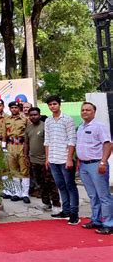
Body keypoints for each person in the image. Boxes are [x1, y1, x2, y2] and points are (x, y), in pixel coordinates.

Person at [76, 102, 113, 235]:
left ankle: (109, 223)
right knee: (92, 195)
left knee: (103, 195)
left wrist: (103, 162)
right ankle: (96, 220)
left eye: (88, 110)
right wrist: (79, 162)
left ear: (94, 112)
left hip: (97, 165)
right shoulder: (80, 127)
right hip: (84, 166)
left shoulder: (99, 126)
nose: (85, 112)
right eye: (83, 110)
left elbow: (108, 145)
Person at [44, 95, 79, 225]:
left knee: (70, 186)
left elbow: (72, 140)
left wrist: (69, 159)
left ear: (59, 104)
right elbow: (46, 141)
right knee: (61, 186)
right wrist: (47, 158)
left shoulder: (68, 119)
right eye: (50, 105)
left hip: (65, 160)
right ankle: (65, 211)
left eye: (54, 104)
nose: (52, 107)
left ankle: (74, 214)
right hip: (53, 159)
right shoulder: (48, 121)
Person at [24, 107, 60, 212]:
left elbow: (50, 143)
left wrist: (48, 159)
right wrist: (26, 156)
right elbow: (26, 143)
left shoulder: (45, 127)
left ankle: (56, 205)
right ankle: (46, 203)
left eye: (35, 115)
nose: (33, 117)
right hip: (34, 161)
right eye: (31, 115)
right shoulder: (28, 128)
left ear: (39, 115)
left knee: (51, 183)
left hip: (46, 161)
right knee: (40, 183)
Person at [5, 101, 30, 203]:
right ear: (10, 109)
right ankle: (17, 192)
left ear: (19, 109)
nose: (14, 109)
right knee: (13, 169)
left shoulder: (25, 120)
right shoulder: (6, 120)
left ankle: (25, 194)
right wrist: (3, 147)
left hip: (21, 146)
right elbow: (4, 134)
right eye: (12, 108)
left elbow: (28, 134)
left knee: (24, 169)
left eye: (16, 107)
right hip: (10, 146)